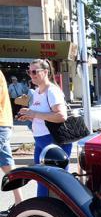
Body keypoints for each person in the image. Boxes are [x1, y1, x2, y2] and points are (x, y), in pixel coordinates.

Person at [16, 59, 72, 198]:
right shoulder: (36, 92)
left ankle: (60, 213)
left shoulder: (52, 91)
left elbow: (61, 116)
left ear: (46, 72)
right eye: (29, 71)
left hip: (53, 141)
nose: (31, 75)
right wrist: (28, 115)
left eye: (35, 71)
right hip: (41, 142)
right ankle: (43, 213)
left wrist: (34, 113)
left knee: (56, 183)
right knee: (42, 180)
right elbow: (42, 115)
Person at [0, 71, 23, 215]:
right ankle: (20, 203)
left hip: (1, 124)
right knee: (6, 163)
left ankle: (20, 203)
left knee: (7, 163)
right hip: (3, 123)